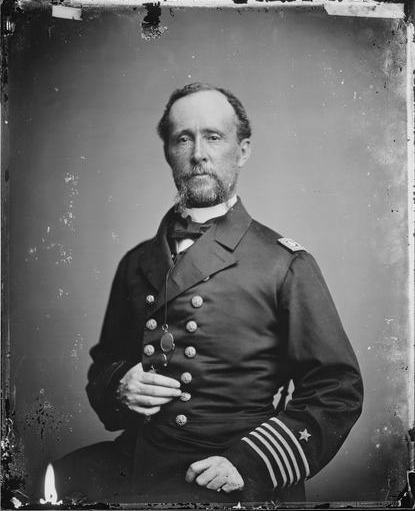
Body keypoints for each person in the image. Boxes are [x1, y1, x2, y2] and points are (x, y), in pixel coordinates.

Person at [57, 82, 363, 504]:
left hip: (229, 470)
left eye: (214, 137)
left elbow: (336, 389)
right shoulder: (136, 262)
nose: (198, 153)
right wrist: (120, 385)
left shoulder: (285, 263)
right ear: (168, 152)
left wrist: (250, 464)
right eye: (183, 138)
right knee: (52, 482)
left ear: (243, 151)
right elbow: (105, 364)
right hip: (143, 461)